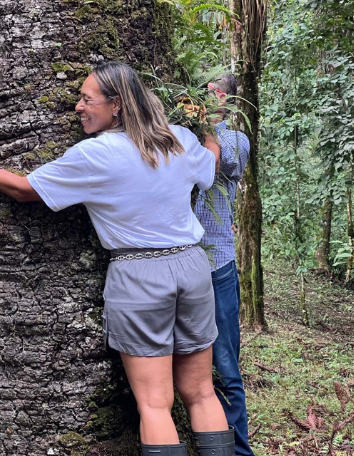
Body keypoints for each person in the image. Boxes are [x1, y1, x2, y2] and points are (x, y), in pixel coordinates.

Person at [0, 61, 235, 456]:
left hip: (140, 275)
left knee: (155, 404)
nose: (77, 107)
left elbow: (23, 189)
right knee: (203, 393)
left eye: (87, 99)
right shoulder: (178, 140)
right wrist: (206, 120)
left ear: (117, 104)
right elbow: (212, 157)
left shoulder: (96, 154)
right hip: (192, 267)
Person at [194, 74, 254, 456]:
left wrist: (205, 125)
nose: (208, 97)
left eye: (216, 92)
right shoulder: (182, 132)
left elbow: (224, 165)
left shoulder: (235, 138)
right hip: (178, 263)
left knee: (226, 364)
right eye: (204, 91)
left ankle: (241, 451)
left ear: (227, 100)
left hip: (217, 263)